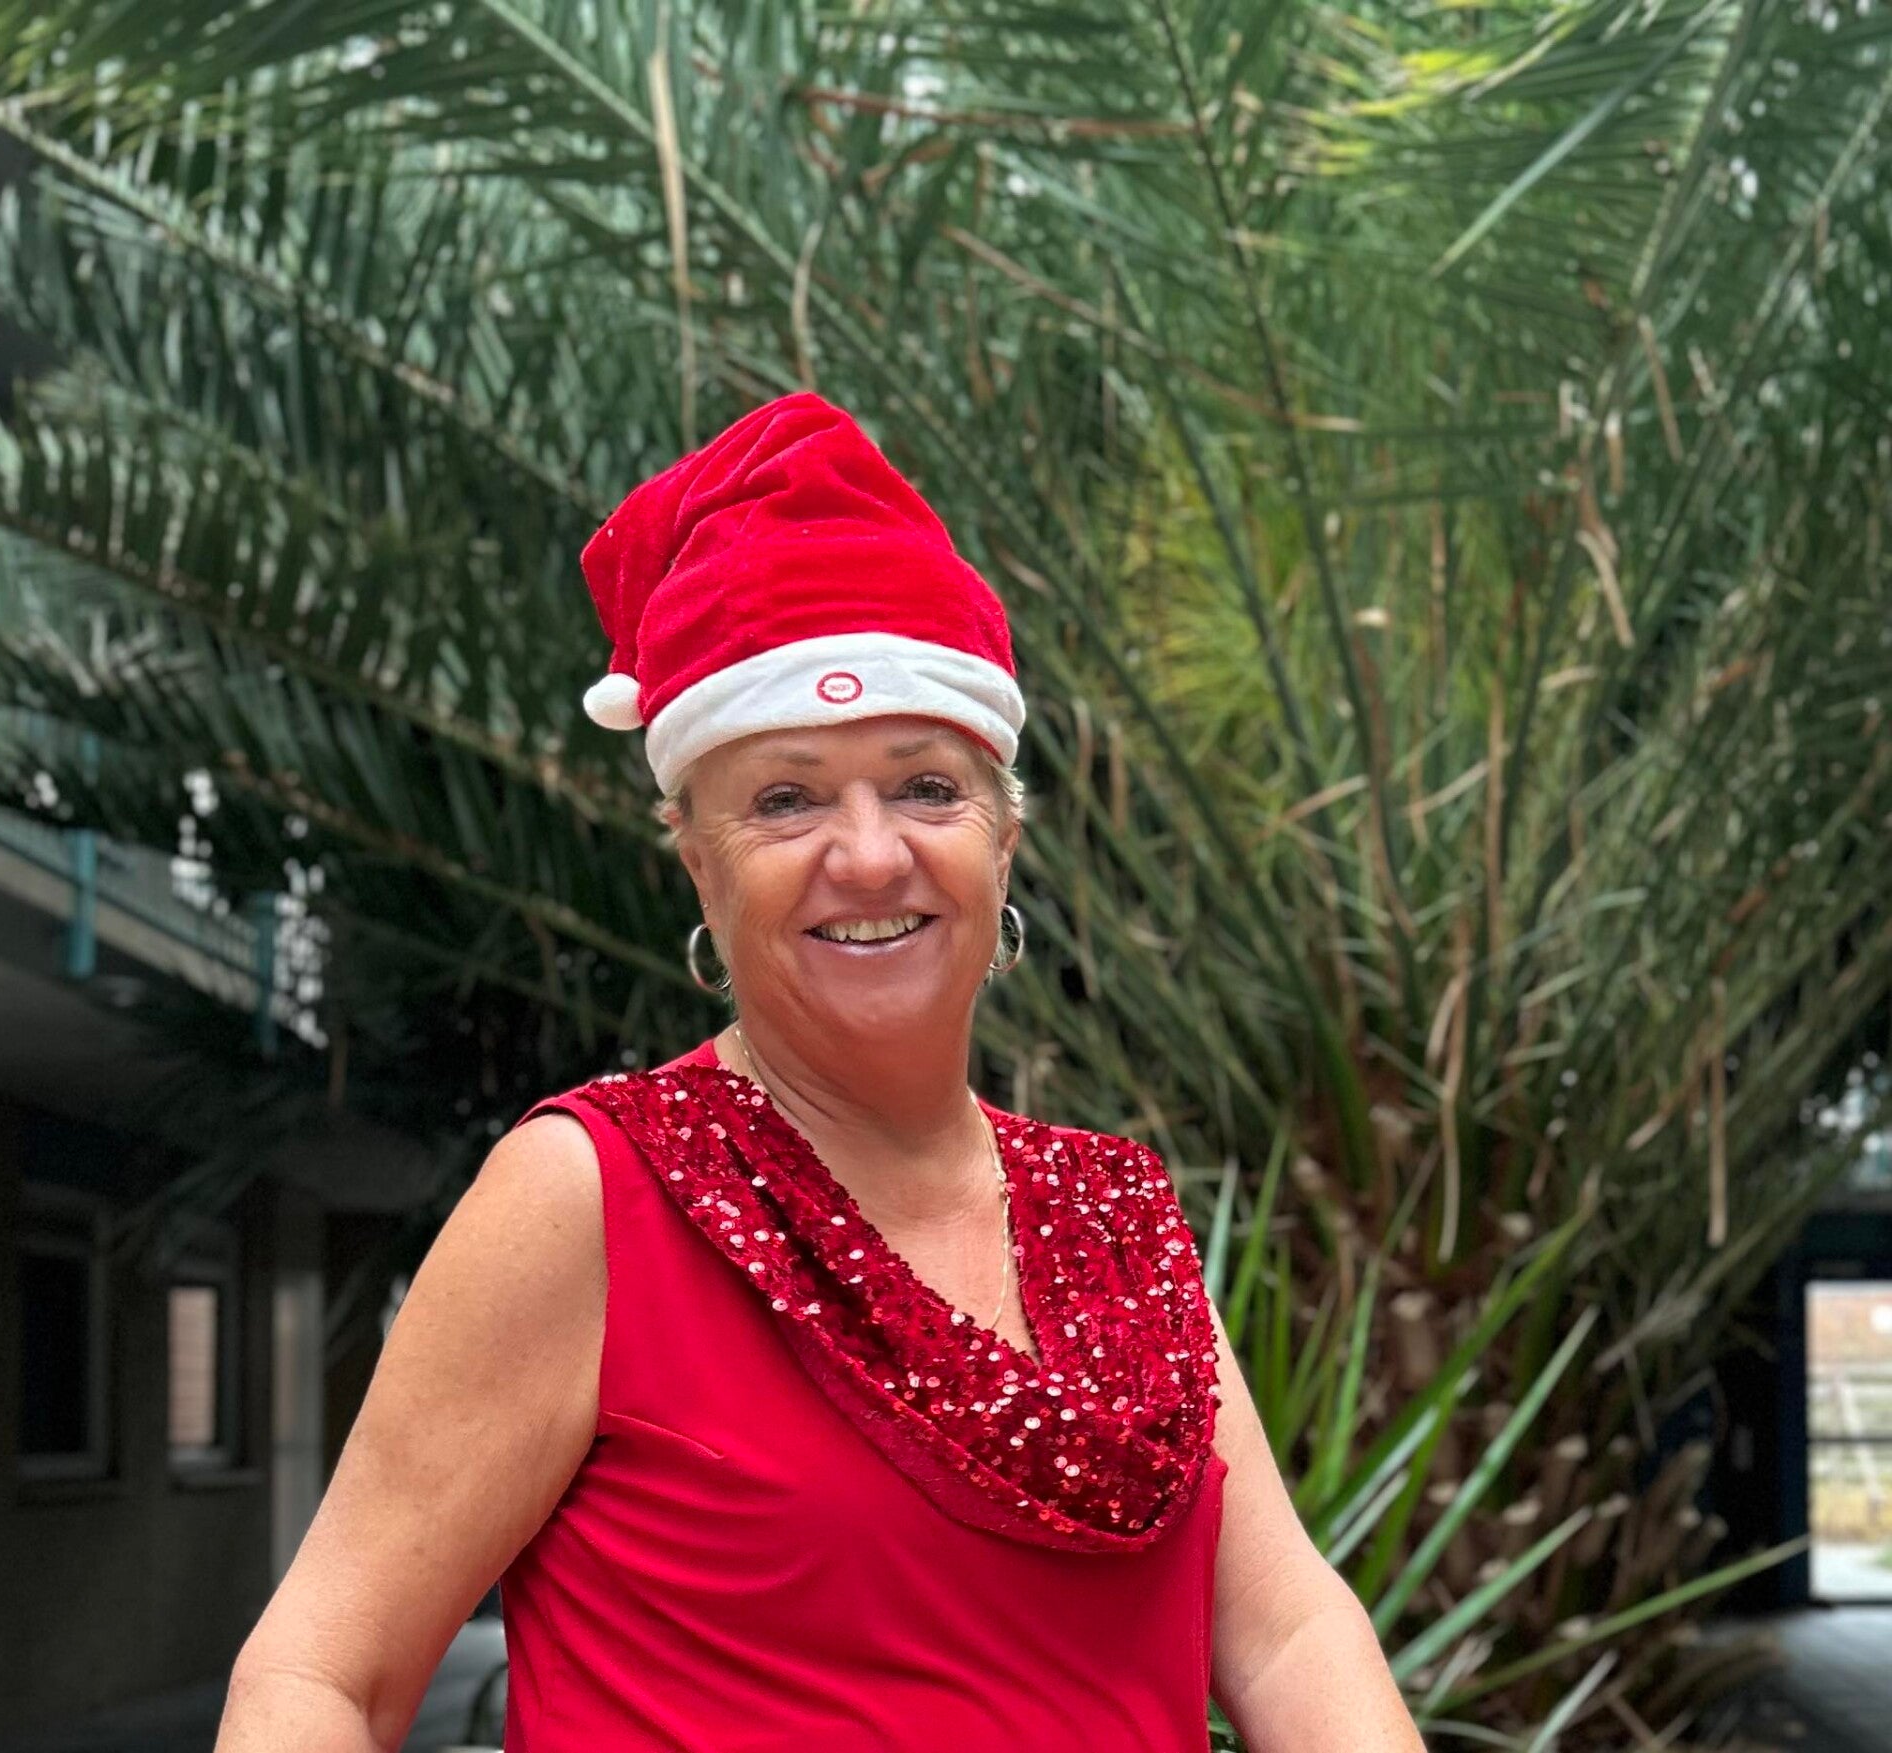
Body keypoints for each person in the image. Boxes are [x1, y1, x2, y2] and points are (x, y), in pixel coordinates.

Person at [215, 393, 1424, 1752]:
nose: (869, 855)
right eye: (786, 798)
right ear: (698, 861)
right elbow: (320, 1677)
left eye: (926, 787)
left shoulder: (1113, 1213)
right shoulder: (589, 1196)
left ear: (1004, 840)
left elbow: (1286, 1633)